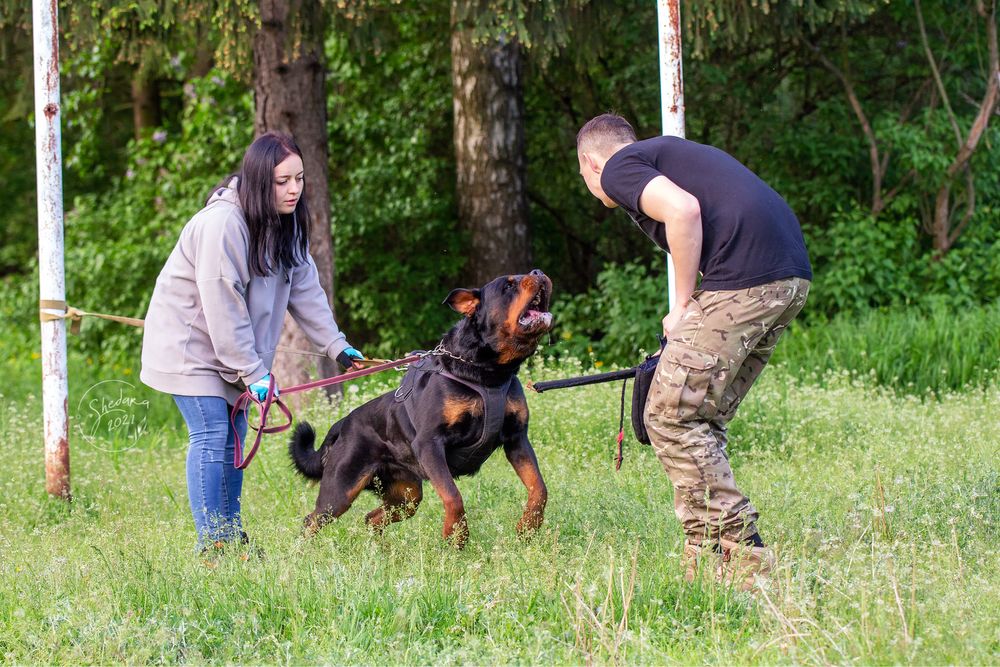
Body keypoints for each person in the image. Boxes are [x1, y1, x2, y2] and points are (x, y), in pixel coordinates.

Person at [576, 113, 812, 591]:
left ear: (589, 163)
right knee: (699, 416)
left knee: (669, 415)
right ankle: (705, 561)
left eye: (582, 176)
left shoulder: (619, 167)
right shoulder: (663, 155)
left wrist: (682, 305)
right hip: (788, 278)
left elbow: (682, 212)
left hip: (746, 281)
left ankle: (745, 556)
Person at [140, 132, 366, 555]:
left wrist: (337, 344)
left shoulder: (287, 223)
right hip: (189, 348)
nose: (294, 189)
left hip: (232, 354)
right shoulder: (222, 224)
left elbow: (306, 291)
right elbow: (223, 306)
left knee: (234, 437)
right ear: (261, 181)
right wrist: (254, 372)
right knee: (211, 435)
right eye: (283, 181)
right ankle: (214, 547)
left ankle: (231, 536)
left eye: (299, 178)